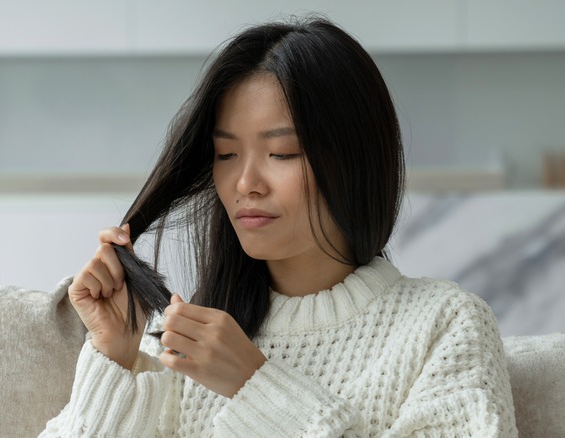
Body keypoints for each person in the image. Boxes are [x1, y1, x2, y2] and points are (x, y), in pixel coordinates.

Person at [40, 17, 517, 437]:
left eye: (281, 153)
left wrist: (256, 387)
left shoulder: (444, 325)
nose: (245, 183)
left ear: (353, 161)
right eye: (226, 155)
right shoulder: (179, 343)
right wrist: (115, 358)